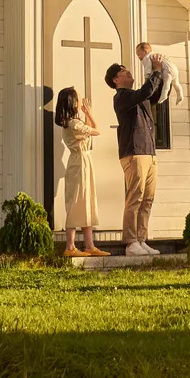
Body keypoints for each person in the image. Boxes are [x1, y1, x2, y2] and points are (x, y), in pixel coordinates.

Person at [105, 55, 166, 256]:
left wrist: (162, 74)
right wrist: (156, 69)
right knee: (135, 198)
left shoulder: (138, 97)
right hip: (134, 152)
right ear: (116, 79)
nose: (128, 71)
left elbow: (154, 94)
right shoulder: (122, 97)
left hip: (149, 152)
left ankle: (141, 239)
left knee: (147, 199)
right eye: (123, 71)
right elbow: (147, 90)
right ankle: (131, 242)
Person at [53, 86, 110, 258]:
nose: (80, 102)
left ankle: (89, 245)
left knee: (86, 200)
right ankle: (70, 246)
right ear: (72, 102)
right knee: (77, 201)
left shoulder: (72, 123)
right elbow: (96, 130)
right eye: (78, 99)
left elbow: (90, 131)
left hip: (82, 162)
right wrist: (89, 114)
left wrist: (86, 115)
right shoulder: (74, 124)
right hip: (79, 163)